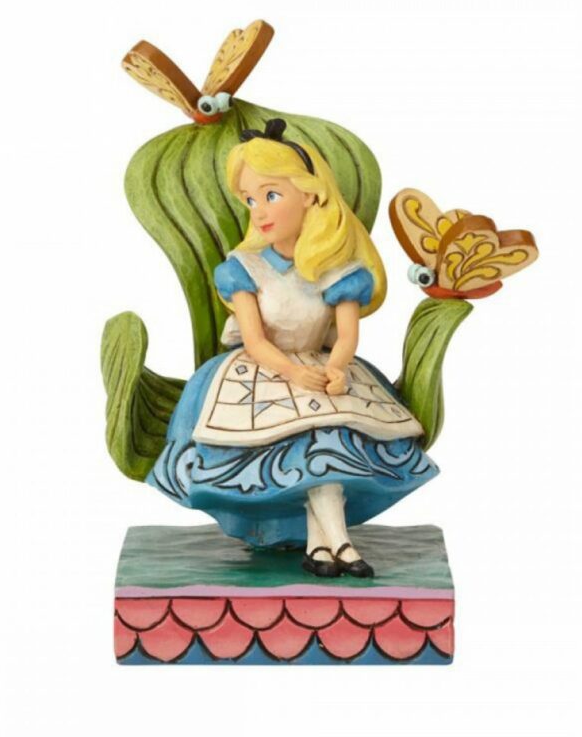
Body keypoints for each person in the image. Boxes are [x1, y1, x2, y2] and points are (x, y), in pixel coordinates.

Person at [146, 118, 438, 578]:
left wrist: (338, 368)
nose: (259, 211)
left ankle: (322, 548)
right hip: (263, 371)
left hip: (321, 366)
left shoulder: (337, 270)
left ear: (311, 195)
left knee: (330, 447)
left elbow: (346, 336)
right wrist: (294, 373)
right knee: (308, 452)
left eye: (271, 195)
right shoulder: (244, 269)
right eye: (250, 200)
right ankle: (340, 544)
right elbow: (255, 340)